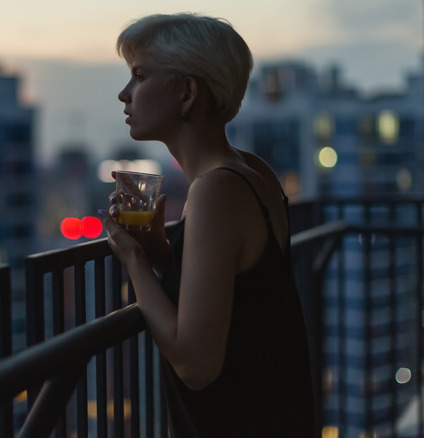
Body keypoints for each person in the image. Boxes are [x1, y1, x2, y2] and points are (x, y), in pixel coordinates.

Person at [100, 13, 316, 437]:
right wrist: (164, 253)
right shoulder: (253, 172)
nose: (124, 94)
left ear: (187, 91)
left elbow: (196, 365)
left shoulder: (215, 191)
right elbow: (240, 296)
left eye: (140, 76)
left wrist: (133, 260)